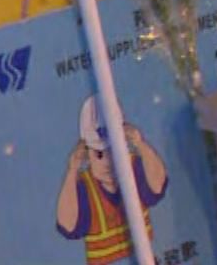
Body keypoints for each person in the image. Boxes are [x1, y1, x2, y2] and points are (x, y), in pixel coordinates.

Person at [56, 97, 170, 265]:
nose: (109, 162)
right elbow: (67, 225)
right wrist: (72, 171)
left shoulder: (135, 167)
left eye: (114, 151)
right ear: (87, 154)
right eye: (100, 154)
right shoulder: (83, 189)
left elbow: (158, 185)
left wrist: (141, 145)